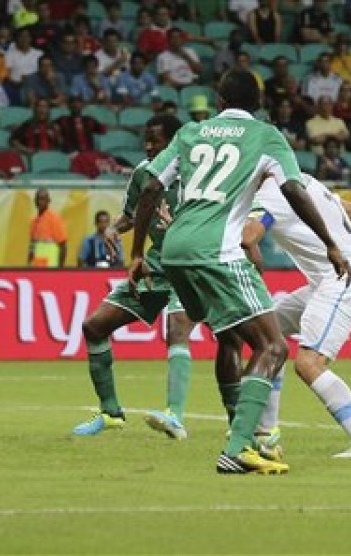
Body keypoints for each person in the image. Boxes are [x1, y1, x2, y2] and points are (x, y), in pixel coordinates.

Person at [128, 68, 349, 474]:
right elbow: (292, 192)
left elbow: (149, 188)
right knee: (274, 347)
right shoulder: (267, 138)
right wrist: (331, 243)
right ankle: (240, 447)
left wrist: (138, 251)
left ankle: (259, 435)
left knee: (235, 337)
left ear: (218, 101)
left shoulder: (190, 132)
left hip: (175, 250)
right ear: (261, 104)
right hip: (220, 252)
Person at [73, 115, 195, 439]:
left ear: (174, 142)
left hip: (190, 266)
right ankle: (111, 412)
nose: (150, 147)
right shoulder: (143, 173)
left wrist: (181, 227)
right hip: (153, 266)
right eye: (147, 140)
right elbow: (130, 216)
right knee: (94, 326)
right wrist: (114, 228)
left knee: (177, 328)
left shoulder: (197, 172)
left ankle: (175, 416)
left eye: (157, 140)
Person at [239, 174, 351, 457]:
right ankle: (267, 432)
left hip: (340, 278)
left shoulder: (270, 192)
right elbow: (344, 207)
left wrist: (251, 255)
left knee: (309, 362)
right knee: (268, 337)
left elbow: (249, 236)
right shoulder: (305, 180)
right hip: (325, 279)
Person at [28, 187, 67, 268]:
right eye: (38, 199)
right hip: (37, 264)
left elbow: (63, 245)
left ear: (48, 201)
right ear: (35, 201)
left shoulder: (54, 218)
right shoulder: (34, 221)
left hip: (51, 265)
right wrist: (29, 263)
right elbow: (32, 245)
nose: (40, 202)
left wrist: (60, 268)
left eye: (43, 199)